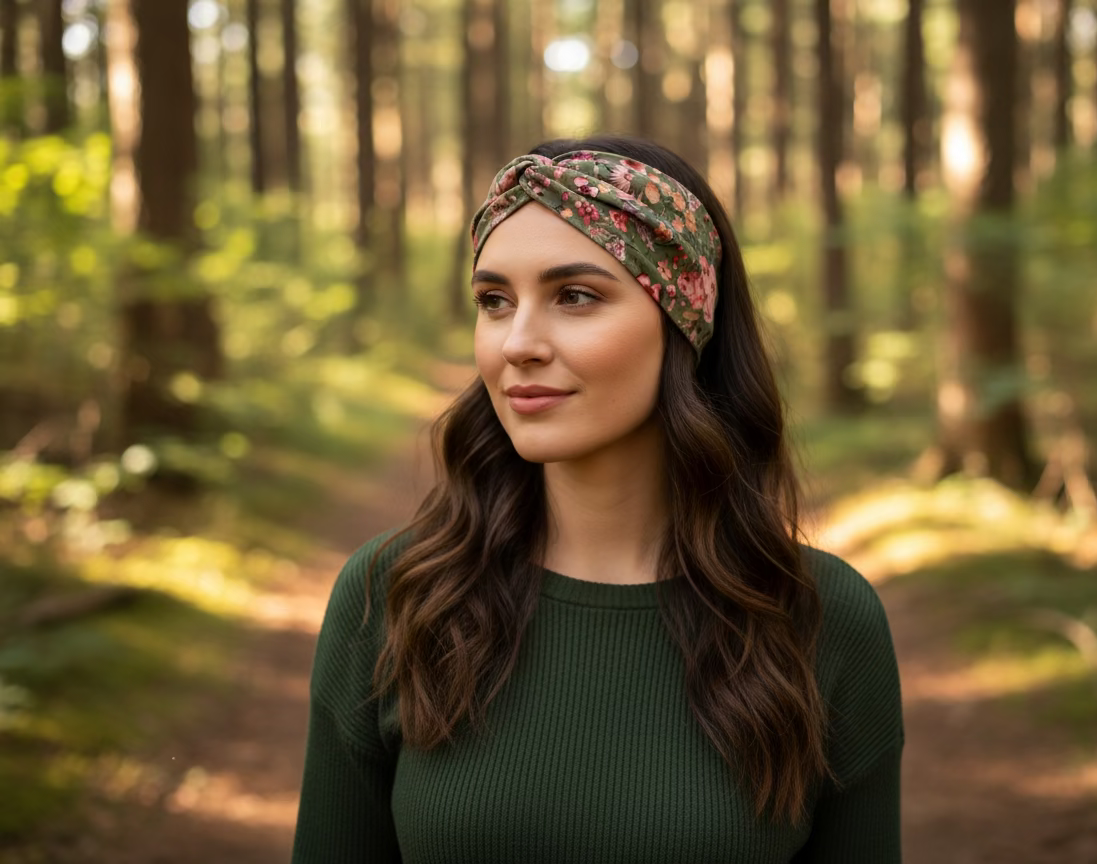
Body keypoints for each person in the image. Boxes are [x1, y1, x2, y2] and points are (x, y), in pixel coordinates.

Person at [291, 136, 904, 863]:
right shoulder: (393, 596)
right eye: (494, 300)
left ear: (684, 321)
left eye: (575, 297)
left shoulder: (820, 619)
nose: (518, 342)